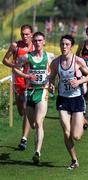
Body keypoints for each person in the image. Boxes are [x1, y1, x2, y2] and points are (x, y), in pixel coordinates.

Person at [49, 34, 88, 169]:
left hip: (77, 100)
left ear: (71, 46)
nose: (64, 47)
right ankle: (74, 161)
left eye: (67, 44)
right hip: (63, 99)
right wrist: (51, 83)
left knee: (76, 136)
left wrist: (78, 81)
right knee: (66, 132)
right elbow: (52, 76)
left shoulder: (78, 61)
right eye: (62, 44)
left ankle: (84, 121)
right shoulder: (55, 62)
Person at [14, 31, 55, 164]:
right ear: (34, 42)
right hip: (29, 92)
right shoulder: (27, 57)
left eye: (40, 40)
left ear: (44, 42)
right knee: (32, 124)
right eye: (35, 40)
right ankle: (35, 145)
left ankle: (37, 152)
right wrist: (25, 76)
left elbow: (55, 70)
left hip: (42, 91)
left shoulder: (49, 56)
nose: (37, 43)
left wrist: (52, 82)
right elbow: (15, 68)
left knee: (38, 122)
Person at [2, 24, 34, 150]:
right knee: (21, 111)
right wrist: (14, 66)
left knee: (26, 108)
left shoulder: (35, 46)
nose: (24, 36)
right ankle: (30, 121)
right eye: (22, 34)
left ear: (31, 34)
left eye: (27, 34)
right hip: (18, 81)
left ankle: (23, 139)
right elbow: (5, 60)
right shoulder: (15, 46)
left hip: (30, 81)